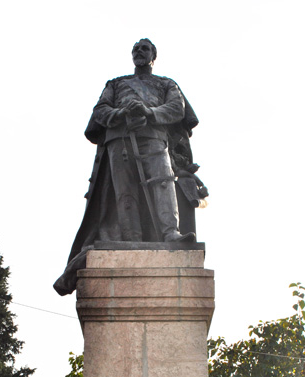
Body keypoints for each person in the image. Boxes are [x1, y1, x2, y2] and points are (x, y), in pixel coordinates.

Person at [54, 38, 208, 296]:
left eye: (144, 48)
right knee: (124, 192)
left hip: (154, 138)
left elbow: (176, 108)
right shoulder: (116, 84)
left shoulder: (166, 84)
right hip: (119, 140)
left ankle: (171, 233)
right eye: (135, 49)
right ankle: (131, 236)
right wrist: (122, 114)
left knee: (163, 181)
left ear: (153, 56)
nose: (139, 52)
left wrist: (148, 113)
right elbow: (100, 111)